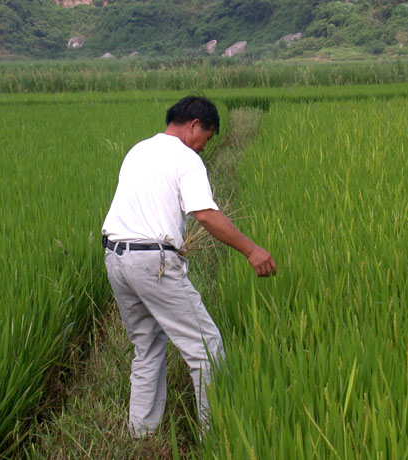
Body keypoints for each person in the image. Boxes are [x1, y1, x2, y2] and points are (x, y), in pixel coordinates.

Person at [101, 96, 277, 438]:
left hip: (116, 258)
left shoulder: (139, 149)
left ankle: (140, 435)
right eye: (207, 138)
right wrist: (251, 250)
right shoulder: (186, 158)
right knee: (206, 347)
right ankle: (217, 434)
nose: (204, 147)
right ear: (195, 125)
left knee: (147, 346)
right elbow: (205, 213)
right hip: (153, 263)